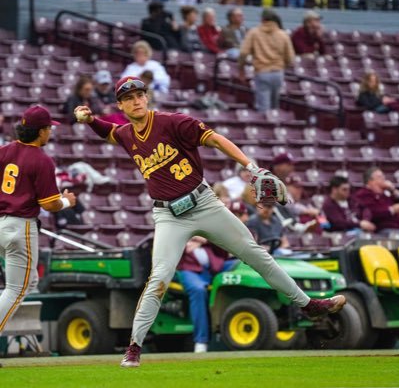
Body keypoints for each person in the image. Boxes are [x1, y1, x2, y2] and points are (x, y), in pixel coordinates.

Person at [74, 76, 346, 368]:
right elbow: (110, 132)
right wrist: (90, 120)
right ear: (120, 104)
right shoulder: (128, 134)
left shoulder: (173, 122)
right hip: (168, 215)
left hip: (204, 203)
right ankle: (134, 347)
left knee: (256, 255)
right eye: (128, 98)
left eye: (139, 95)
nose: (135, 101)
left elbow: (215, 139)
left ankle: (309, 306)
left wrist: (251, 168)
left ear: (147, 97)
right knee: (160, 278)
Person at [0, 105, 76, 337]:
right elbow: (49, 204)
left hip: (1, 222)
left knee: (29, 281)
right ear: (41, 131)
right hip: (20, 225)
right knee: (16, 289)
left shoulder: (4, 151)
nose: (50, 132)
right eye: (48, 128)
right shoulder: (42, 160)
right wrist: (66, 202)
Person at [177, 237, 233, 353]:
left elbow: (224, 246)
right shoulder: (173, 224)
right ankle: (201, 341)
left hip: (215, 267)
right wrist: (187, 238)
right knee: (198, 290)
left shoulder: (207, 225)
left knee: (245, 266)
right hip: (189, 270)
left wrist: (204, 240)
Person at [239, 8, 295, 111]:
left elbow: (243, 52)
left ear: (262, 19)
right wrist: (283, 66)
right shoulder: (283, 34)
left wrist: (241, 69)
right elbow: (290, 57)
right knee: (274, 106)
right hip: (278, 73)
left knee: (263, 107)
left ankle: (266, 126)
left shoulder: (254, 33)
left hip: (262, 72)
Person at [354, 167, 399, 236]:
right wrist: (392, 210)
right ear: (370, 181)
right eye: (380, 177)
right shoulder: (364, 194)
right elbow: (372, 213)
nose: (384, 179)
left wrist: (393, 190)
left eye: (383, 176)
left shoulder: (386, 194)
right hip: (382, 229)